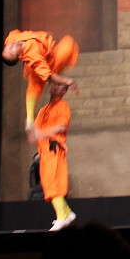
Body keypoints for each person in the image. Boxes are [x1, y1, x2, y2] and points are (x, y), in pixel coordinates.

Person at [2, 29, 79, 142]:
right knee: (69, 44)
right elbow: (49, 76)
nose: (10, 46)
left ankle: (29, 122)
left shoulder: (12, 39)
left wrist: (45, 37)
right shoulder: (33, 55)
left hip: (49, 57)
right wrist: (66, 81)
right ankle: (29, 121)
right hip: (48, 65)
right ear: (19, 56)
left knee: (68, 42)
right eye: (11, 51)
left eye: (7, 48)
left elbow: (17, 37)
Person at [33, 81, 76, 230]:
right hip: (44, 152)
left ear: (64, 91)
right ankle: (67, 212)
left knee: (53, 184)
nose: (53, 86)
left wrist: (43, 133)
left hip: (54, 149)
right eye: (53, 84)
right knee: (48, 185)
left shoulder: (63, 106)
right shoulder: (43, 109)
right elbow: (36, 131)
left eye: (59, 86)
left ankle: (61, 217)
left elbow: (61, 126)